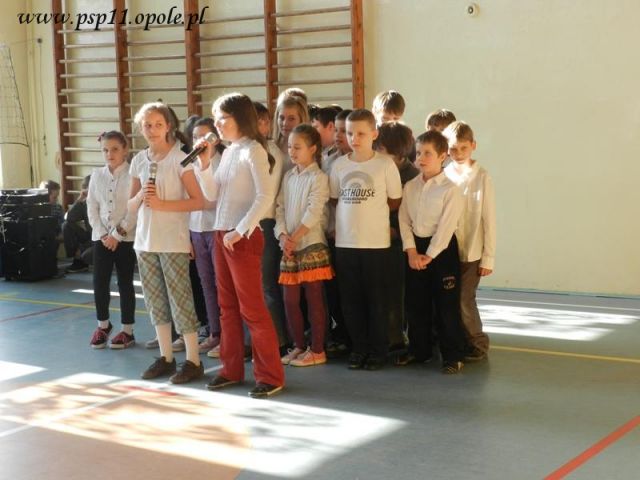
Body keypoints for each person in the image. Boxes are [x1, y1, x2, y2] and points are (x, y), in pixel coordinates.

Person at [195, 92, 285, 398]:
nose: (217, 124)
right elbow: (213, 194)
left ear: (240, 119)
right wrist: (204, 164)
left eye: (223, 118)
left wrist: (241, 230)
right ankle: (230, 369)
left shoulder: (254, 151)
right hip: (223, 234)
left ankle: (270, 375)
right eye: (216, 118)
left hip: (242, 237)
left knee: (253, 309)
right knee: (227, 308)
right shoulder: (230, 151)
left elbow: (265, 196)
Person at [129, 101, 205, 384]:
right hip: (145, 241)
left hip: (172, 241)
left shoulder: (180, 158)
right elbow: (131, 203)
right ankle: (166, 356)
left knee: (180, 300)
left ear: (168, 126)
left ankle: (193, 360)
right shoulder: (139, 160)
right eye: (147, 125)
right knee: (155, 301)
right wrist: (141, 197)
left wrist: (163, 204)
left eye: (158, 124)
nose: (152, 130)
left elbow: (198, 201)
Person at [329, 109, 402, 371]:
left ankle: (378, 350)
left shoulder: (385, 165)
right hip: (346, 244)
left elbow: (394, 201)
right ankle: (358, 348)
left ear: (374, 134)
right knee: (351, 300)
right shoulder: (339, 165)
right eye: (350, 133)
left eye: (361, 133)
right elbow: (335, 199)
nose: (354, 138)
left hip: (376, 245)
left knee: (377, 300)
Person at [398, 130, 466, 374]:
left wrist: (430, 255)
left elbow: (446, 228)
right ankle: (420, 350)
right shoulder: (410, 186)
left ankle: (452, 355)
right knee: (416, 303)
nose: (421, 158)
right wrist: (411, 251)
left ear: (442, 156)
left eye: (428, 153)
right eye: (418, 153)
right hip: (415, 249)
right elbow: (404, 220)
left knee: (446, 306)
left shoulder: (450, 189)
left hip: (442, 251)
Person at [276, 124, 333, 367]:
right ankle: (299, 345)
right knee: (290, 300)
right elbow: (280, 208)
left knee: (314, 299)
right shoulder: (289, 176)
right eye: (290, 146)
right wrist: (282, 236)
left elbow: (314, 211)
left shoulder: (319, 178)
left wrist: (295, 237)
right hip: (289, 246)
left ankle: (318, 349)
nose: (292, 151)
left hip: (311, 244)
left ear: (313, 149)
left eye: (297, 147)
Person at [443, 121, 496, 362]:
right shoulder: (444, 174)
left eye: (463, 148)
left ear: (473, 145)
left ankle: (478, 343)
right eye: (453, 149)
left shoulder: (482, 176)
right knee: (451, 299)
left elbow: (489, 219)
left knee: (465, 299)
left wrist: (488, 257)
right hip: (449, 249)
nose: (458, 154)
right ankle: (459, 341)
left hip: (474, 251)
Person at [86, 131, 137, 349]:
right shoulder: (97, 175)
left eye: (115, 149)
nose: (109, 154)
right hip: (101, 238)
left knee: (125, 283)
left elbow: (134, 209)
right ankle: (103, 325)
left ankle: (127, 330)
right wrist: (103, 234)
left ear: (125, 149)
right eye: (105, 150)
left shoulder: (133, 175)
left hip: (125, 238)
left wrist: (117, 235)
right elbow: (92, 206)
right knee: (99, 281)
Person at [375, 122, 420, 355]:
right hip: (377, 238)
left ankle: (396, 337)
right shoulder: (378, 168)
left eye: (381, 149)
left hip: (400, 242)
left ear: (399, 152)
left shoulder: (412, 176)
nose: (377, 153)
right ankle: (385, 334)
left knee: (397, 292)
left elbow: (411, 213)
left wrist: (394, 229)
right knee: (382, 290)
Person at [253, 101, 289, 352]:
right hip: (246, 225)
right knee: (251, 287)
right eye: (257, 121)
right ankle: (255, 340)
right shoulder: (244, 149)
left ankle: (277, 340)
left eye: (266, 121)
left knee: (267, 286)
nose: (263, 126)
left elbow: (266, 194)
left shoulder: (272, 152)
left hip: (265, 222)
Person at [188, 118, 224, 355]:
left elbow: (216, 199)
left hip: (216, 228)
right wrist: (187, 236)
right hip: (196, 229)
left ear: (215, 139)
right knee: (206, 283)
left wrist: (200, 202)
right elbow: (187, 201)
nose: (199, 141)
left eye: (204, 136)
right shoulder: (189, 164)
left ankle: (229, 333)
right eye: (195, 137)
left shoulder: (222, 162)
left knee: (222, 284)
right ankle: (214, 332)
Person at [63, 175, 93, 273]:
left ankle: (80, 258)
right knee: (66, 225)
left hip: (100, 239)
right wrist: (79, 199)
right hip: (90, 237)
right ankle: (77, 259)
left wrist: (82, 248)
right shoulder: (84, 203)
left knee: (86, 255)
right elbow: (68, 217)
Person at [272, 95, 309, 160]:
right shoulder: (270, 146)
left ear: (301, 120)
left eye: (291, 119)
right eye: (281, 118)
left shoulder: (308, 148)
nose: (285, 123)